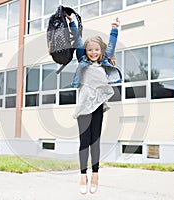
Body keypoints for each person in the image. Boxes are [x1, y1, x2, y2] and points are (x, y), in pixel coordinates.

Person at [66, 14, 122, 194]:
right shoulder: (82, 60)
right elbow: (79, 41)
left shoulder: (104, 61)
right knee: (84, 140)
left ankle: (95, 174)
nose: (93, 52)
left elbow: (112, 44)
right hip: (83, 105)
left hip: (98, 105)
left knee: (95, 141)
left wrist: (114, 28)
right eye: (90, 50)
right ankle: (83, 175)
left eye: (96, 50)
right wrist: (72, 23)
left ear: (101, 50)